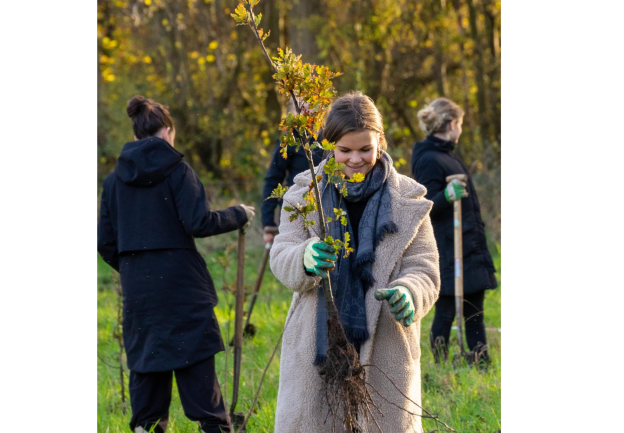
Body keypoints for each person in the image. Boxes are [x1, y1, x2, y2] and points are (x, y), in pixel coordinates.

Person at [269, 91, 440, 432]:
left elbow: (424, 266)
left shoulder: (408, 199)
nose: (356, 159)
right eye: (344, 150)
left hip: (386, 346)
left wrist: (409, 292)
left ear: (381, 142)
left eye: (365, 149)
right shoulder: (305, 194)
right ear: (328, 147)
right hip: (318, 343)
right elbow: (282, 251)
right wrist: (304, 257)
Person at [97, 95, 255, 433]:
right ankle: (214, 426)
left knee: (147, 361)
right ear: (169, 131)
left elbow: (105, 243)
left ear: (136, 135)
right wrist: (238, 214)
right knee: (194, 360)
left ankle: (146, 426)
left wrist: (133, 267)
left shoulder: (113, 182)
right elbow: (198, 223)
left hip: (139, 289)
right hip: (182, 286)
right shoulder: (178, 171)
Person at [411, 97, 497, 367]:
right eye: (459, 124)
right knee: (446, 310)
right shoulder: (429, 159)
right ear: (450, 124)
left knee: (474, 310)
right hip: (449, 248)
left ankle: (480, 364)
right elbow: (422, 206)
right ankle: (439, 367)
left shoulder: (447, 155)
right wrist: (446, 196)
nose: (460, 130)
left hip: (468, 244)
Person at [261, 98, 324, 245]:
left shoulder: (329, 139)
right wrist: (268, 223)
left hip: (325, 209)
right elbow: (273, 180)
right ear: (292, 113)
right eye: (301, 109)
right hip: (296, 212)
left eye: (311, 108)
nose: (307, 113)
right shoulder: (288, 141)